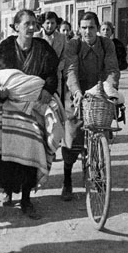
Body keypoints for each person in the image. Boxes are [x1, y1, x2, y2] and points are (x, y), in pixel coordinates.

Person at [0, 9, 59, 219]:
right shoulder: (5, 49)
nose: (31, 27)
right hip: (10, 106)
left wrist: (48, 90)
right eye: (26, 23)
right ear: (16, 27)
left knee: (31, 149)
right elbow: (0, 77)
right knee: (8, 150)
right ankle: (8, 190)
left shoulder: (43, 48)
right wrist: (0, 94)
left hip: (34, 105)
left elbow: (51, 75)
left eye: (33, 24)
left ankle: (27, 198)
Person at [61, 12, 120, 201]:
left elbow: (112, 69)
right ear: (79, 28)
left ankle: (99, 172)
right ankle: (67, 179)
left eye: (92, 27)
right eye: (84, 27)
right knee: (72, 139)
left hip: (100, 93)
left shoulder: (106, 44)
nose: (88, 32)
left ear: (97, 28)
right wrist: (77, 92)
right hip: (76, 94)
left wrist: (109, 89)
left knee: (101, 132)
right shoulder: (74, 44)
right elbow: (70, 70)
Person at [34, 11, 66, 100]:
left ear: (56, 24)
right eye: (47, 23)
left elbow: (64, 56)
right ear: (42, 24)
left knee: (55, 100)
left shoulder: (61, 37)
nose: (50, 26)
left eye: (53, 23)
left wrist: (59, 67)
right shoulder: (36, 37)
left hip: (55, 74)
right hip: (39, 74)